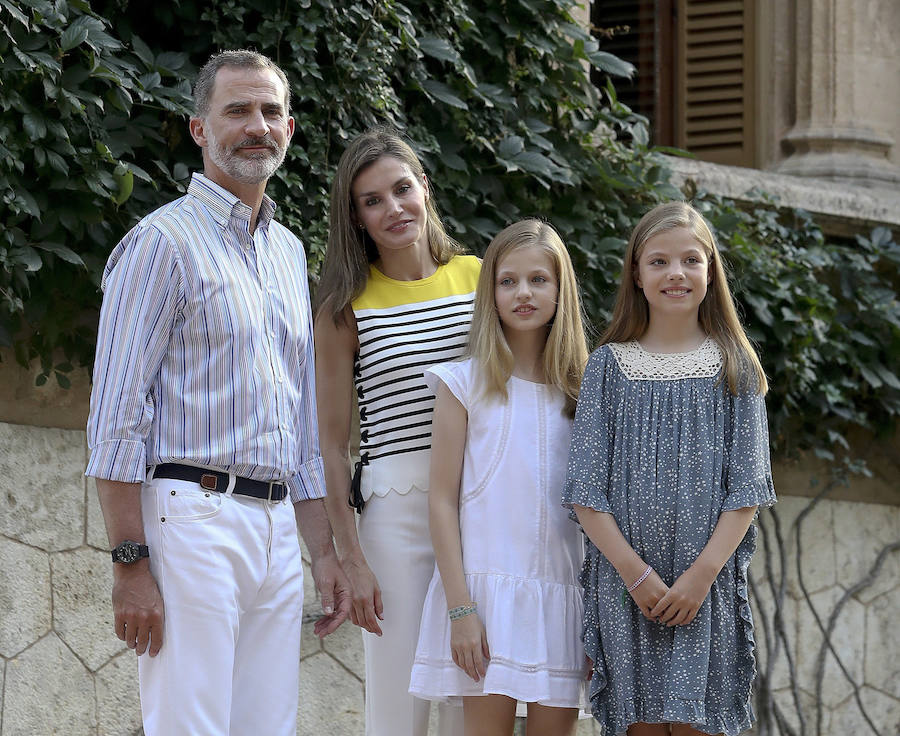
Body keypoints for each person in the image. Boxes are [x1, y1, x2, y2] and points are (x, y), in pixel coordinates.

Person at [85, 50, 351, 736]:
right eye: (236, 110)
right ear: (200, 128)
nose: (255, 125)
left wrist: (323, 551)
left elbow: (297, 424)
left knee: (270, 728)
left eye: (269, 111)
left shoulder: (290, 252)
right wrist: (129, 564)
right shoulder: (161, 244)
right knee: (189, 726)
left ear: (289, 128)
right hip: (191, 516)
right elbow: (117, 418)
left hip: (272, 527)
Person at [562, 201, 777, 736]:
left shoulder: (736, 367)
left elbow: (746, 492)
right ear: (636, 273)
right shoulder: (607, 368)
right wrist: (637, 577)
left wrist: (699, 578)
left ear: (710, 271)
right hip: (625, 589)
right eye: (658, 261)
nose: (675, 273)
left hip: (705, 591)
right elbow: (586, 493)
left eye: (690, 261)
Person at [314, 126, 480, 736]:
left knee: (476, 695)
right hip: (394, 514)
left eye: (402, 189)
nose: (393, 209)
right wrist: (348, 556)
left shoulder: (483, 278)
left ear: (425, 189)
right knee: (397, 704)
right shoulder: (343, 307)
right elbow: (330, 443)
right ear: (355, 218)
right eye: (372, 200)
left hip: (479, 508)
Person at [408, 219, 590, 736]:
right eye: (507, 281)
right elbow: (441, 502)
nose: (523, 293)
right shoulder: (464, 383)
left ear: (561, 291)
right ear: (489, 293)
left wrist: (598, 620)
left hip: (562, 600)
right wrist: (461, 608)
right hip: (484, 603)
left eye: (539, 279)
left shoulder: (585, 395)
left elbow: (599, 513)